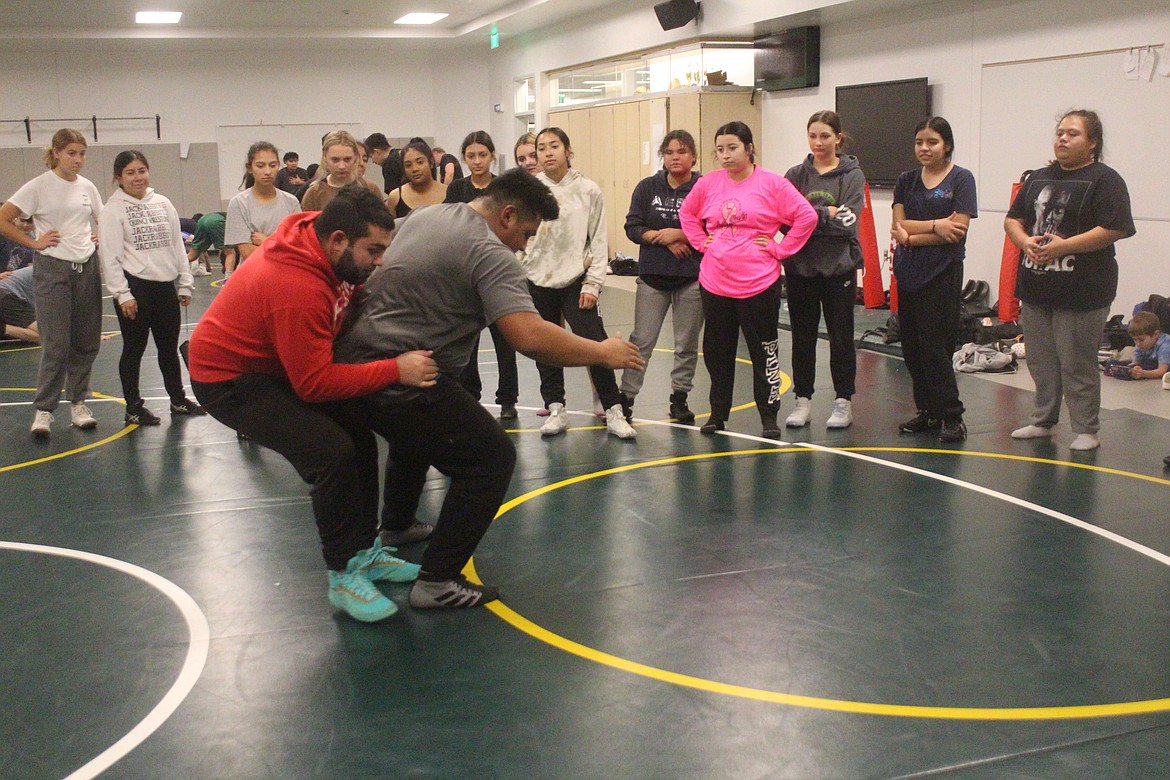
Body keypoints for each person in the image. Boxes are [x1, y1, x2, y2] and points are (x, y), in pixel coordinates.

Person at [334, 169, 645, 608]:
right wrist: (601, 351)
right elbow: (529, 336)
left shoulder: (427, 216)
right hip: (401, 377)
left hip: (353, 367)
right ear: (508, 215)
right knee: (491, 458)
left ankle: (398, 525)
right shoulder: (489, 252)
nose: (525, 245)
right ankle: (437, 580)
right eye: (526, 233)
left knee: (420, 432)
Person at [188, 184, 438, 623]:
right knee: (330, 453)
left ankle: (365, 553)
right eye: (373, 250)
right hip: (228, 378)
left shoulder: (320, 240)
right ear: (338, 240)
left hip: (272, 363)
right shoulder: (295, 286)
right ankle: (343, 575)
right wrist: (395, 369)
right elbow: (314, 385)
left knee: (359, 439)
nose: (379, 260)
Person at [1005, 109, 1135, 451]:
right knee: (1041, 361)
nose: (1062, 138)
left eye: (1073, 133)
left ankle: (1086, 429)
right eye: (1060, 131)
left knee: (1077, 362)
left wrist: (1065, 247)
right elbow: (1013, 220)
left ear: (1092, 143)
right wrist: (1024, 242)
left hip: (1082, 290)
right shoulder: (1038, 178)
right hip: (1036, 286)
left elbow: (1115, 227)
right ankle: (1043, 421)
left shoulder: (1105, 180)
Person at [679, 120, 818, 438]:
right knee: (717, 349)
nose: (725, 155)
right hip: (716, 283)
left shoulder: (771, 183)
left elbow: (806, 216)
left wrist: (781, 249)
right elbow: (688, 214)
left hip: (759, 282)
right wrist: (701, 243)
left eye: (732, 148)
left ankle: (769, 416)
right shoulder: (709, 184)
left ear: (749, 148)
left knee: (764, 349)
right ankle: (717, 413)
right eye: (719, 150)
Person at [520, 127, 636, 439]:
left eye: (554, 146)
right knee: (546, 347)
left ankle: (613, 410)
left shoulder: (589, 190)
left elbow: (598, 242)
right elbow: (521, 238)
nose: (547, 153)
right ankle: (556, 407)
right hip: (538, 281)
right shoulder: (530, 191)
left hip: (577, 282)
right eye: (541, 148)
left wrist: (593, 283)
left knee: (595, 345)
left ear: (568, 150)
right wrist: (524, 269)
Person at [0, 128, 105, 437]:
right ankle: (44, 410)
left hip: (86, 267)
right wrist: (33, 243)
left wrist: (102, 235)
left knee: (85, 340)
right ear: (57, 153)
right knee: (56, 341)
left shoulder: (88, 187)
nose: (78, 159)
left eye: (82, 153)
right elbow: (4, 218)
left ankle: (78, 404)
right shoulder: (38, 186)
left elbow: (104, 217)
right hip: (52, 269)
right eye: (72, 153)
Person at [99, 150, 205, 425]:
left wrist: (184, 283)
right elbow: (109, 257)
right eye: (130, 173)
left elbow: (177, 246)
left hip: (164, 288)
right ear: (119, 178)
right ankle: (133, 407)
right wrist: (122, 294)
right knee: (134, 349)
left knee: (168, 348)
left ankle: (178, 400)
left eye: (141, 171)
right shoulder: (112, 210)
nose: (137, 177)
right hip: (135, 289)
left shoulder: (163, 203)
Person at [890, 116, 978, 443]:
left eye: (932, 142)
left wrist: (914, 235)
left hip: (942, 272)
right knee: (911, 347)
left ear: (947, 145)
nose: (924, 148)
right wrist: (933, 225)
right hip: (908, 272)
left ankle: (951, 415)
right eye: (919, 142)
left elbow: (956, 232)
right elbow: (898, 227)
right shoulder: (906, 180)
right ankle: (927, 411)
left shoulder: (961, 179)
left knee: (935, 346)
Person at [783, 110, 867, 430]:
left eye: (825, 136)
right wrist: (825, 213)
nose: (818, 143)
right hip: (800, 268)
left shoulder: (852, 175)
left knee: (840, 337)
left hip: (838, 269)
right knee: (802, 337)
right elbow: (783, 220)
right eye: (813, 136)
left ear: (838, 139)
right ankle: (802, 400)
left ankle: (843, 401)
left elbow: (847, 223)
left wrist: (807, 219)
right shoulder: (795, 175)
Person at [619, 129, 703, 424]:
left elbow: (713, 226)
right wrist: (661, 237)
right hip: (653, 277)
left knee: (686, 343)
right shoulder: (647, 187)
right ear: (663, 157)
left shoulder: (703, 187)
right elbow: (632, 227)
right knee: (641, 340)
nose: (675, 157)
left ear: (693, 155)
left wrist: (682, 234)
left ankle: (679, 398)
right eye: (669, 152)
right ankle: (625, 398)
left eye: (681, 151)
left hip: (691, 278)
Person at [445, 131, 520, 417]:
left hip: (499, 271)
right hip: (467, 273)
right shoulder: (457, 190)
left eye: (482, 155)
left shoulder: (504, 188)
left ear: (492, 155)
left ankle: (508, 399)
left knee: (505, 339)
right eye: (471, 156)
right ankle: (469, 395)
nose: (477, 161)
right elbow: (452, 226)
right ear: (464, 158)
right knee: (468, 342)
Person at [225, 141, 301, 280]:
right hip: (252, 278)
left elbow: (297, 250)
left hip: (286, 278)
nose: (267, 171)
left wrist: (266, 241)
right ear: (250, 167)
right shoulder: (239, 203)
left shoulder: (291, 202)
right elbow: (247, 251)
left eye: (272, 165)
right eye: (260, 166)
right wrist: (281, 245)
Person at [299, 130, 385, 212]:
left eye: (347, 159)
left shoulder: (371, 189)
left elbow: (382, 225)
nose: (341, 166)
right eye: (335, 160)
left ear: (355, 158)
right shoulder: (314, 193)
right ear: (325, 158)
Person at [386, 138, 447, 219]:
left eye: (420, 162)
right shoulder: (395, 197)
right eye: (408, 165)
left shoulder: (449, 192)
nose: (415, 169)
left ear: (431, 162)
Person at [1105, 312, 1169, 381]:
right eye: (1135, 340)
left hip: (1160, 366)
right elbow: (1136, 362)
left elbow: (1162, 371)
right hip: (1146, 363)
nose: (1138, 343)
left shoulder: (1165, 345)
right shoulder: (1140, 343)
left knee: (1148, 365)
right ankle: (1121, 372)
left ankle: (1123, 374)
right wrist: (1131, 368)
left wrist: (1143, 373)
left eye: (1141, 340)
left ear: (1156, 334)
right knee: (1111, 363)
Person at [0, 265, 38, 343]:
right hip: (6, 296)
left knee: (45, 336)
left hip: (9, 297)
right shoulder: (51, 272)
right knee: (49, 336)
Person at [186, 211, 228, 276]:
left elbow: (203, 252)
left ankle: (175, 268)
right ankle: (228, 278)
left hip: (202, 220)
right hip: (215, 221)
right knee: (230, 253)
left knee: (191, 256)